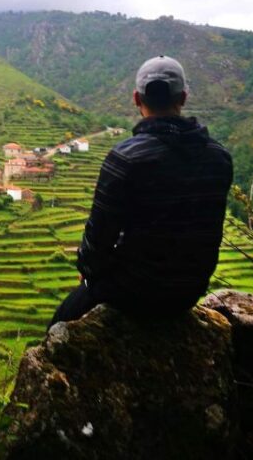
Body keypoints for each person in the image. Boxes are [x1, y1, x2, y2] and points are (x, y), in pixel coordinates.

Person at [49, 55, 233, 328]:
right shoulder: (219, 157)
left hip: (134, 292)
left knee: (59, 323)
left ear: (137, 99)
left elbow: (98, 237)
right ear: (183, 98)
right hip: (189, 291)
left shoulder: (126, 158)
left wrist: (88, 276)